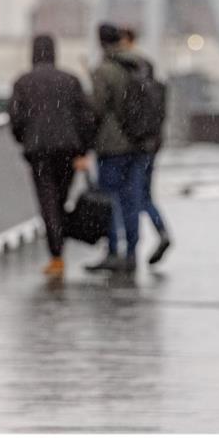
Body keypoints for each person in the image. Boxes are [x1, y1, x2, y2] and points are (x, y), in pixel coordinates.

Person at [7, 35, 96, 278]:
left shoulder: (23, 83)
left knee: (47, 200)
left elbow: (15, 118)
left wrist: (24, 139)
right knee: (61, 197)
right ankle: (60, 240)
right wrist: (83, 150)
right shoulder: (70, 80)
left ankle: (56, 255)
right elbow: (86, 117)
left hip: (38, 151)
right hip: (68, 149)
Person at [85, 23, 150, 273]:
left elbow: (97, 109)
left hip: (111, 146)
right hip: (138, 142)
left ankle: (113, 250)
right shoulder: (140, 64)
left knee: (110, 199)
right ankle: (132, 252)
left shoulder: (105, 70)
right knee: (132, 198)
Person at [119, 26, 173, 264]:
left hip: (136, 145)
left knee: (133, 197)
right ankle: (161, 232)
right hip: (153, 143)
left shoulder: (128, 71)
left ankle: (132, 250)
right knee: (145, 195)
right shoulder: (151, 76)